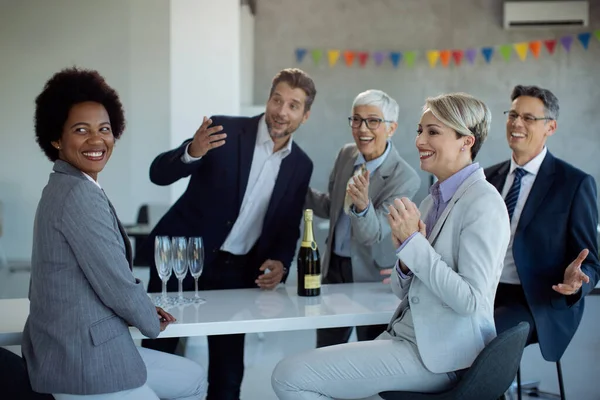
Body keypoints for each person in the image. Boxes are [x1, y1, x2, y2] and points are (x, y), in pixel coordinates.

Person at [271, 93, 511, 399]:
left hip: (441, 355)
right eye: (420, 130)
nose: (419, 141)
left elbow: (470, 302)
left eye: (433, 132)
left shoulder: (484, 203)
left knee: (288, 376)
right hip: (405, 338)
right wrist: (406, 260)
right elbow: (401, 289)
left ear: (466, 141)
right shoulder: (430, 201)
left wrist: (413, 244)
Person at [22, 67, 207, 400]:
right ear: (56, 138)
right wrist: (150, 322)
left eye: (104, 129)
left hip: (81, 342)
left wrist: (144, 309)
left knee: (191, 377)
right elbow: (116, 282)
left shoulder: (70, 184)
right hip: (82, 357)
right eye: (81, 130)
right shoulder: (77, 194)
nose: (97, 140)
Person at [141, 68, 316, 400]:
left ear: (304, 116)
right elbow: (158, 173)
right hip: (180, 262)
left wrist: (281, 262)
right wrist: (193, 151)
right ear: (268, 99)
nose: (281, 110)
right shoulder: (223, 130)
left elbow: (287, 226)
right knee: (158, 355)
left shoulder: (301, 165)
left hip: (237, 273)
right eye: (277, 99)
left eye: (293, 105)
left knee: (228, 371)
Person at [486, 85, 600, 363]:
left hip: (535, 300)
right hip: (483, 291)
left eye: (528, 118)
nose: (516, 123)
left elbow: (592, 262)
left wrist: (576, 283)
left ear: (551, 127)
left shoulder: (574, 184)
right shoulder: (487, 179)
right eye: (512, 115)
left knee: (482, 341)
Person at [305, 89, 420, 347]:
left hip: (371, 277)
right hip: (333, 270)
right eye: (356, 119)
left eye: (373, 120)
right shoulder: (346, 155)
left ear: (391, 128)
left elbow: (374, 233)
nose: (362, 128)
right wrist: (297, 186)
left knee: (368, 352)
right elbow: (331, 207)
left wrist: (362, 204)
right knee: (327, 349)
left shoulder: (405, 177)